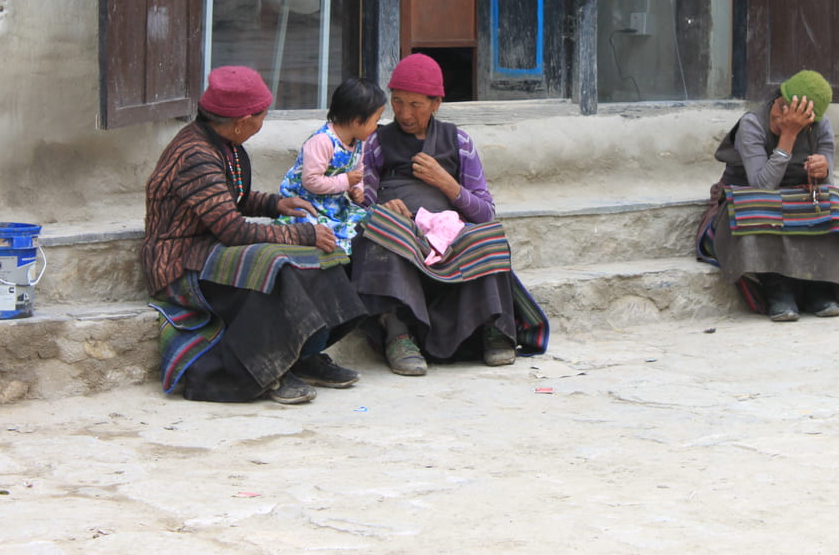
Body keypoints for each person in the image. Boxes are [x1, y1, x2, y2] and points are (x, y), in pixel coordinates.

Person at [142, 66, 367, 405]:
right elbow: (233, 229)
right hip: (179, 260)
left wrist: (276, 203)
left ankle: (302, 354)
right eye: (261, 116)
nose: (262, 123)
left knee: (320, 258)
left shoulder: (223, 143)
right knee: (274, 266)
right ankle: (264, 369)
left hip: (209, 245)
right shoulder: (196, 155)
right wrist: (302, 234)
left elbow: (232, 198)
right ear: (242, 121)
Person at [350, 53, 549, 375]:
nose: (404, 113)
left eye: (415, 104)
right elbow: (360, 201)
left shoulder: (459, 142)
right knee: (375, 232)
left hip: (450, 232)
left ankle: (493, 328)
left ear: (436, 103)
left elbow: (485, 212)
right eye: (398, 102)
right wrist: (379, 208)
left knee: (490, 236)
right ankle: (398, 333)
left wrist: (447, 184)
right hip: (403, 231)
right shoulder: (376, 141)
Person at [695, 70, 839, 322]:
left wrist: (822, 170)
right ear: (776, 101)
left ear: (810, 120)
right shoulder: (752, 124)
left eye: (797, 118)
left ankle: (818, 287)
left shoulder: (822, 127)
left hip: (795, 201)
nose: (781, 117)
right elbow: (762, 186)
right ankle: (778, 288)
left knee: (834, 205)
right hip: (745, 205)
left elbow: (826, 185)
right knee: (763, 206)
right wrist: (788, 136)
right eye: (780, 108)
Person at [278, 77, 387, 255]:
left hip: (333, 204)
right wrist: (345, 181)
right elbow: (311, 181)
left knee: (366, 221)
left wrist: (356, 188)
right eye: (375, 120)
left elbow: (357, 172)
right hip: (306, 203)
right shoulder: (323, 141)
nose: (376, 127)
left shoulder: (359, 142)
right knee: (315, 230)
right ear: (358, 121)